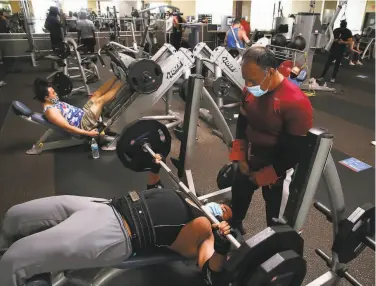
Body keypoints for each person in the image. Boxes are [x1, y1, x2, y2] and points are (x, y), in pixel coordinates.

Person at [0, 189, 233, 286]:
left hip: (119, 231)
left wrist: (221, 249)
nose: (220, 207)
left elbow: (210, 272)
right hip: (105, 205)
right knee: (15, 216)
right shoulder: (187, 195)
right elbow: (152, 184)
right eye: (222, 205)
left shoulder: (205, 230)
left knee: (15, 260)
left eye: (223, 212)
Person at [230, 46, 313, 234]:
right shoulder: (250, 90)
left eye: (253, 80)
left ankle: (274, 246)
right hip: (251, 155)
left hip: (279, 163)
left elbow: (295, 150)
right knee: (239, 195)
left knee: (276, 218)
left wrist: (268, 174)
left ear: (271, 72)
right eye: (246, 79)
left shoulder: (295, 102)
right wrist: (240, 155)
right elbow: (242, 122)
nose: (248, 85)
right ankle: (235, 227)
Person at [33, 77, 164, 189]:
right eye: (52, 93)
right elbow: (68, 127)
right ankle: (124, 81)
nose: (55, 93)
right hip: (84, 123)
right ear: (46, 97)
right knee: (100, 101)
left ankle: (116, 78)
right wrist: (87, 133)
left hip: (82, 114)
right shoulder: (50, 111)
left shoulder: (51, 102)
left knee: (96, 94)